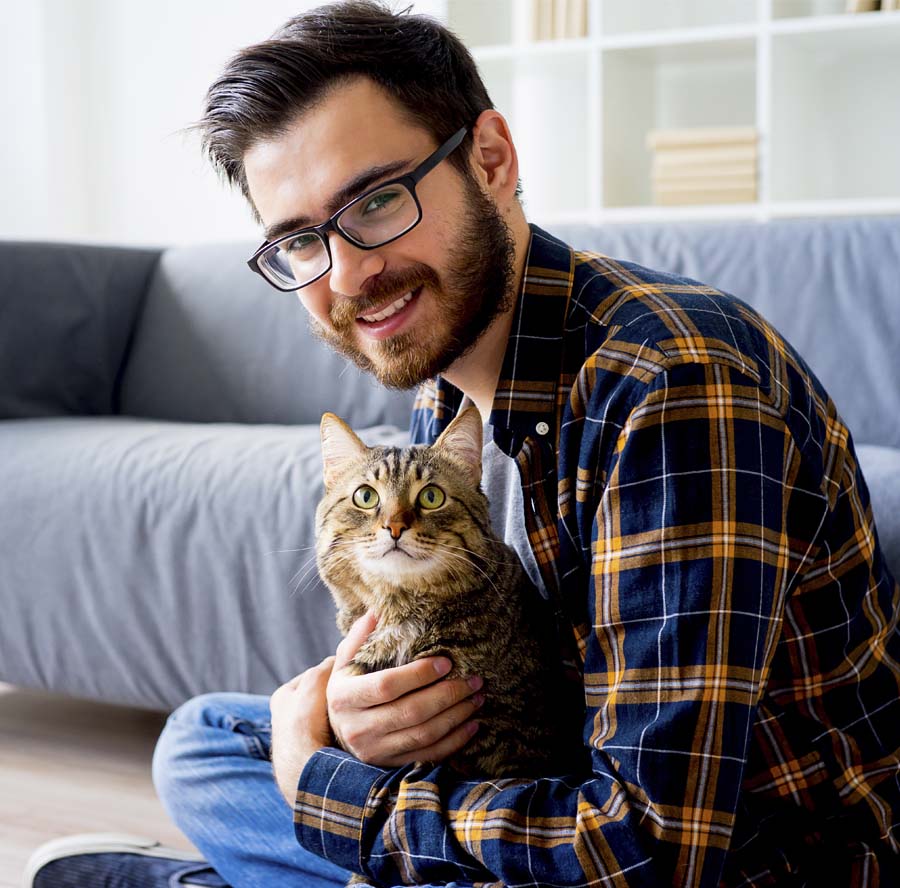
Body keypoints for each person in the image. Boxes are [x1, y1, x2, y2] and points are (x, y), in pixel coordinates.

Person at [25, 2, 900, 886]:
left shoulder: (674, 386)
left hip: (746, 862)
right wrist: (367, 718)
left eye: (374, 202)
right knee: (204, 740)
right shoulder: (447, 381)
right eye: (299, 241)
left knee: (305, 780)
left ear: (491, 159)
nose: (350, 276)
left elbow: (653, 853)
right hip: (551, 775)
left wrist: (338, 797)